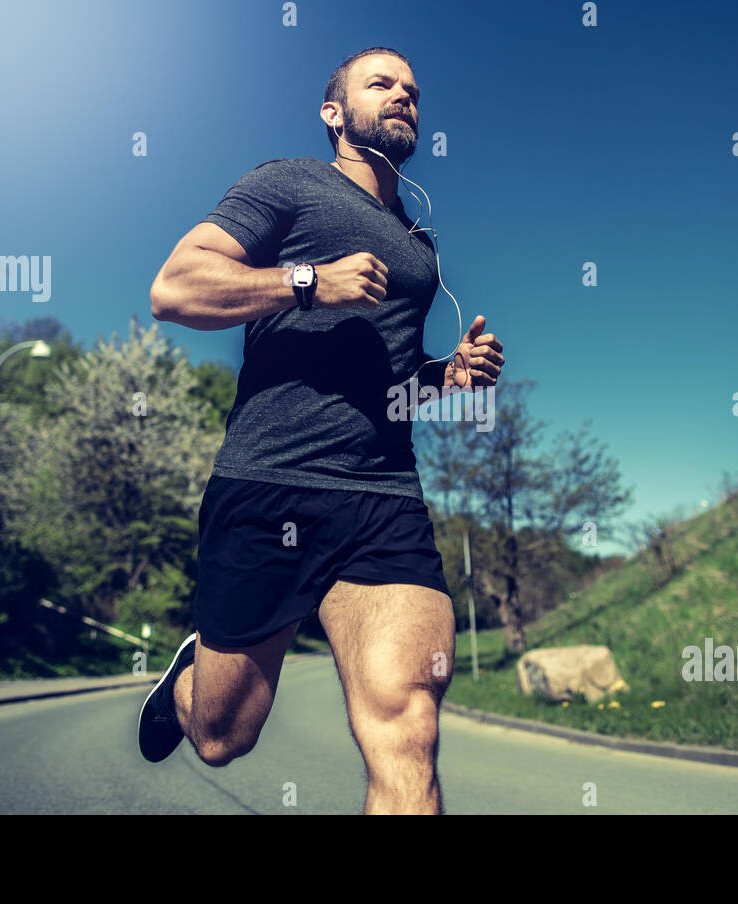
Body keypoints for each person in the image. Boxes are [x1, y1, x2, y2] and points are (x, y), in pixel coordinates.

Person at [139, 47, 504, 815]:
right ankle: (187, 683)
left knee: (407, 726)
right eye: (382, 84)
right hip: (271, 478)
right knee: (221, 735)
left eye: (413, 89)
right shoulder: (290, 184)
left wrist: (449, 377)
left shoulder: (418, 243)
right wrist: (307, 281)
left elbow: (392, 389)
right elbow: (173, 289)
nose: (403, 95)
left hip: (383, 497)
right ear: (334, 112)